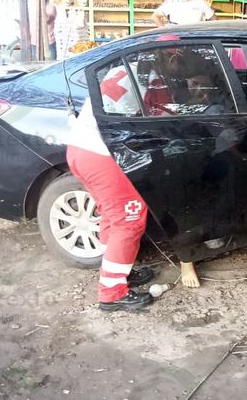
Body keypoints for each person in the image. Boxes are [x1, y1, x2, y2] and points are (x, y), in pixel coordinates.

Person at [66, 64, 156, 312]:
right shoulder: (153, 74)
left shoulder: (126, 65)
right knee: (129, 219)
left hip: (79, 148)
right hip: (101, 154)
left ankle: (119, 274)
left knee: (111, 213)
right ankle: (112, 293)